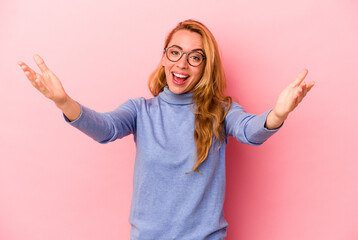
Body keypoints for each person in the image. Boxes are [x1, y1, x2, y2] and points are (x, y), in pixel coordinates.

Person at [18, 19, 314, 240]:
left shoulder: (220, 111)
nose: (182, 63)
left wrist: (277, 114)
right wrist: (63, 101)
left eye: (195, 57)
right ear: (163, 57)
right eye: (175, 52)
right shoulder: (140, 110)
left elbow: (251, 131)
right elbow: (104, 129)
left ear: (204, 67)